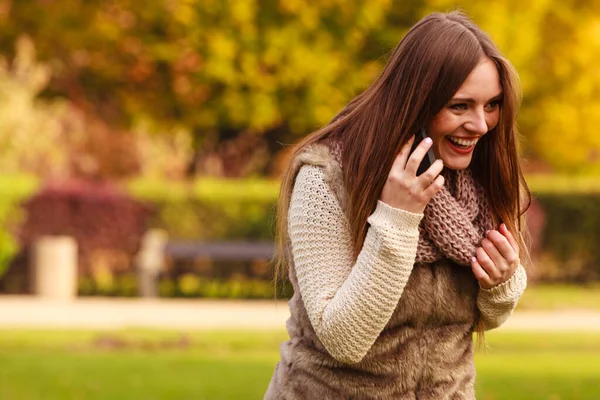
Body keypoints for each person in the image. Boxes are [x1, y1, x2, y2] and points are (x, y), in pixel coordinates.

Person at [265, 10, 530, 400]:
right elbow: (344, 339)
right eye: (460, 106)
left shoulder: (477, 177)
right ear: (416, 102)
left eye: (491, 104)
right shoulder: (327, 179)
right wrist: (396, 220)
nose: (481, 124)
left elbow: (481, 320)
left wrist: (503, 282)